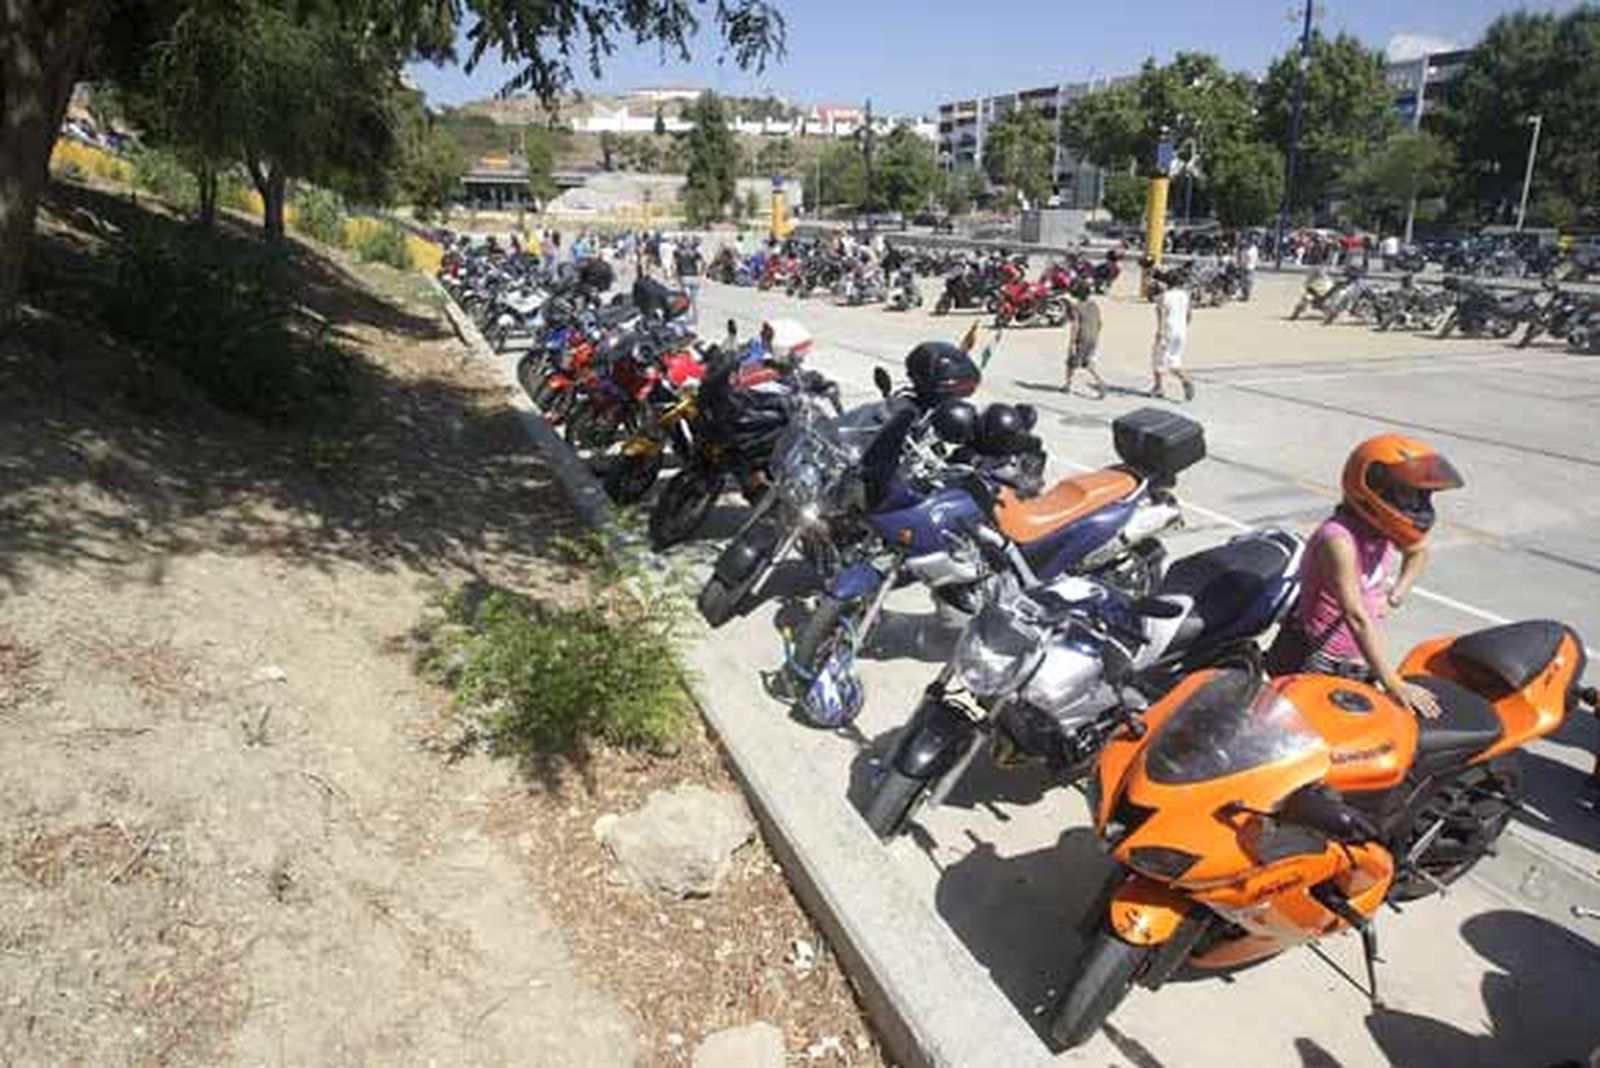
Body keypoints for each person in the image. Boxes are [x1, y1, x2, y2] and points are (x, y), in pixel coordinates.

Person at [1266, 434, 1465, 719]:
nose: (1417, 506)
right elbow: (1356, 616)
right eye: (1409, 496)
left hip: (1357, 659)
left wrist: (1397, 593)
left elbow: (1418, 550)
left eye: (1421, 497)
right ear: (1374, 489)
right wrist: (1393, 683)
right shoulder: (1339, 541)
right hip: (1317, 661)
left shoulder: (1380, 529)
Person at [1148, 269, 1195, 401]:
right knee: (1174, 360)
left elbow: (1161, 315)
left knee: (1157, 358)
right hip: (1181, 331)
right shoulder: (1185, 295)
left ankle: (1158, 387)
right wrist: (1184, 326)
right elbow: (1189, 315)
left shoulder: (1164, 296)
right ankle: (1184, 379)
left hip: (1168, 330)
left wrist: (1160, 331)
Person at [1063, 280, 1107, 398]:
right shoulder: (1095, 305)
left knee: (1072, 361)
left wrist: (1072, 343)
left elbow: (1075, 325)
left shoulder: (1077, 307)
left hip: (1082, 337)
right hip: (1093, 337)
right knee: (1085, 361)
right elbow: (1100, 323)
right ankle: (1068, 385)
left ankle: (1069, 386)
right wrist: (1095, 336)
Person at [674, 239, 704, 325]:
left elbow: (675, 266)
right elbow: (703, 263)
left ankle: (687, 318)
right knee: (694, 301)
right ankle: (695, 319)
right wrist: (701, 274)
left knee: (686, 300)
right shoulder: (694, 253)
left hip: (685, 278)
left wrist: (676, 278)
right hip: (695, 277)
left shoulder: (678, 254)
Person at [1236, 235, 1259, 302]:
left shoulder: (1252, 249)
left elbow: (1248, 258)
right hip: (1246, 266)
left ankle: (1246, 296)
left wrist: (1243, 262)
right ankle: (1245, 295)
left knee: (1247, 282)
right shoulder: (1248, 248)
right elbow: (1242, 256)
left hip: (1249, 267)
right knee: (1244, 281)